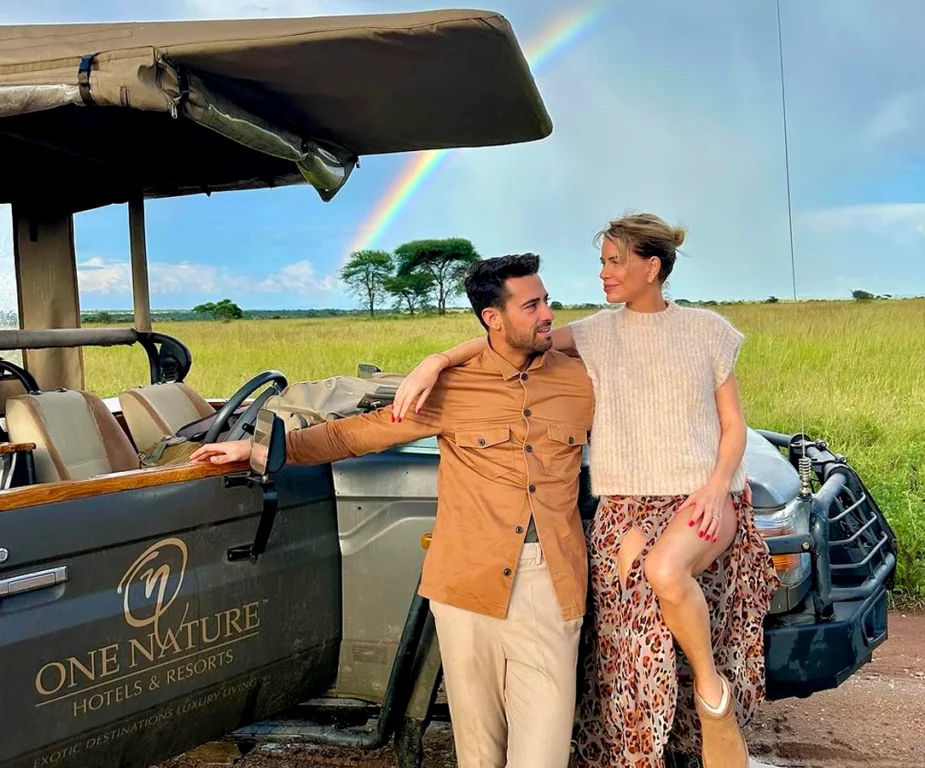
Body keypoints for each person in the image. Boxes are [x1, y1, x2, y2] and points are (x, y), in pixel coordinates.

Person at [393, 213, 781, 768]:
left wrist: (719, 488)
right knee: (630, 659)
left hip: (702, 496)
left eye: (615, 261)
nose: (603, 272)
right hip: (627, 506)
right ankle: (640, 754)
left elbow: (734, 426)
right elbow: (506, 339)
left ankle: (712, 700)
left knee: (666, 574)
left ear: (653, 267)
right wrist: (438, 360)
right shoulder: (596, 333)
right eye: (602, 260)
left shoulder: (708, 331)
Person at [190, 254, 594, 768]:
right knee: (478, 748)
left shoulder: (581, 381)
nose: (547, 314)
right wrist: (260, 450)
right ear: (493, 317)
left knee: (544, 753)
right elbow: (357, 432)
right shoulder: (451, 386)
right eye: (532, 304)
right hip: (466, 581)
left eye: (547, 301)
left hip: (550, 581)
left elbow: (634, 386)